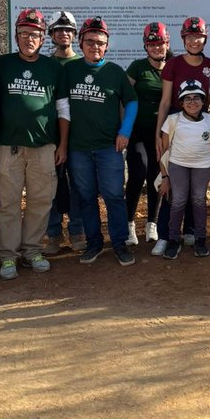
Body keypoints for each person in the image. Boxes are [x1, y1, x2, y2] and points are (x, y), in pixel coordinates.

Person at [0, 8, 69, 279]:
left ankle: (32, 250)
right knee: (9, 203)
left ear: (43, 38)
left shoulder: (52, 68)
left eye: (35, 34)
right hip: (8, 146)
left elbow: (62, 109)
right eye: (24, 33)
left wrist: (62, 144)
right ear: (17, 36)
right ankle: (8, 256)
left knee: (41, 201)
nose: (29, 39)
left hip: (44, 146)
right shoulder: (2, 64)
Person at [65, 17, 138, 267]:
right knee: (85, 196)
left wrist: (125, 131)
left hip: (109, 147)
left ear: (107, 45)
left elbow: (132, 101)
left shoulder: (114, 71)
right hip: (78, 148)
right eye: (90, 41)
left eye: (100, 42)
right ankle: (94, 242)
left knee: (114, 196)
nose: (95, 46)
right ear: (80, 42)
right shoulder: (70, 70)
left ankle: (119, 243)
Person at [151, 17, 210, 255]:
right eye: (189, 37)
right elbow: (166, 100)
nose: (194, 41)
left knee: (196, 190)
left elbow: (209, 98)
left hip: (200, 124)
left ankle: (191, 231)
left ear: (204, 38)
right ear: (183, 39)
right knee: (173, 187)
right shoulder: (173, 64)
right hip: (176, 124)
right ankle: (165, 236)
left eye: (198, 36)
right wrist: (159, 133)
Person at [159, 80, 210, 259]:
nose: (192, 102)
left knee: (198, 200)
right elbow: (163, 152)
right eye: (187, 98)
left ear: (203, 101)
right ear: (181, 102)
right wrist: (165, 177)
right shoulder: (173, 120)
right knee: (178, 200)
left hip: (202, 165)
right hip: (177, 164)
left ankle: (200, 239)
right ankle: (173, 239)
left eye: (196, 98)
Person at [43, 10, 86, 255]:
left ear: (74, 34)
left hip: (79, 135)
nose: (63, 34)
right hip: (50, 135)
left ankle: (77, 230)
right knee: (52, 186)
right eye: (58, 30)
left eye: (68, 30)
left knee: (78, 185)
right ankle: (53, 233)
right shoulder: (46, 64)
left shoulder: (81, 64)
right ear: (51, 34)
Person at [125, 22, 171, 246]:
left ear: (167, 43)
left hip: (162, 132)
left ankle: (152, 223)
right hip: (138, 131)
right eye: (151, 43)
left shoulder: (173, 66)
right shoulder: (138, 67)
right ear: (145, 46)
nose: (156, 47)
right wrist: (122, 128)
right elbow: (124, 95)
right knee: (137, 173)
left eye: (160, 43)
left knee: (156, 176)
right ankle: (129, 224)